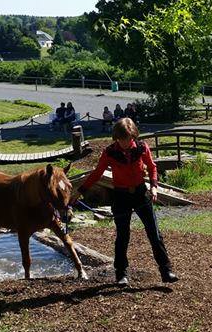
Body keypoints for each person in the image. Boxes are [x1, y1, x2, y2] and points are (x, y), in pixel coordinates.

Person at [72, 118, 178, 286]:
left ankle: (166, 270)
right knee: (123, 236)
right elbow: (97, 173)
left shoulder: (142, 147)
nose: (125, 143)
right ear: (116, 138)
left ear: (134, 136)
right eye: (122, 139)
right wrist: (80, 191)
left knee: (154, 233)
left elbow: (152, 167)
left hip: (141, 193)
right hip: (121, 196)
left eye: (128, 139)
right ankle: (121, 274)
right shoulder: (109, 152)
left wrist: (154, 187)